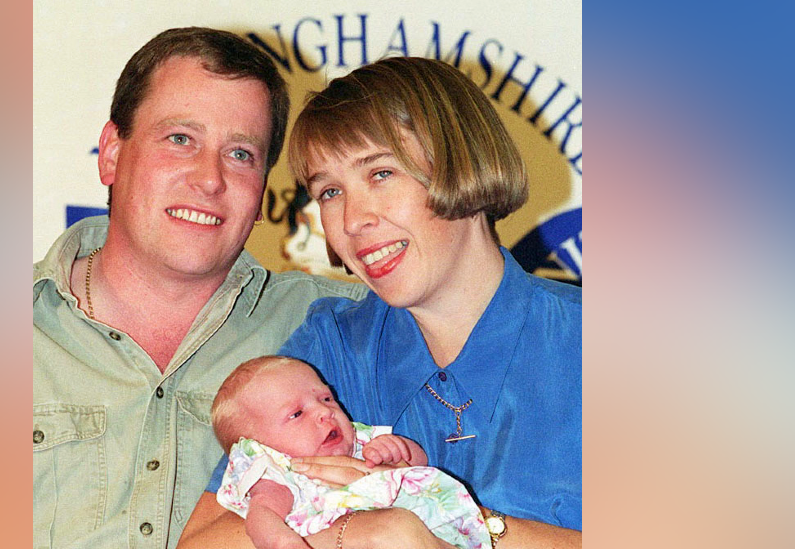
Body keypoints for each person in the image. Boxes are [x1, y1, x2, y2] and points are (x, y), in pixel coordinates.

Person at [180, 56, 581, 549]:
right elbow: (204, 541)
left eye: (381, 174)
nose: (352, 219)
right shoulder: (328, 350)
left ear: (464, 163)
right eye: (329, 191)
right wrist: (368, 532)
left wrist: (458, 525)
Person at [32, 27, 367, 549]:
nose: (210, 179)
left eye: (240, 154)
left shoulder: (340, 329)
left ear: (262, 196)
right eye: (180, 139)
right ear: (111, 154)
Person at [211, 356, 490, 549]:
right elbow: (260, 517)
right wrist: (283, 542)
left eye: (326, 398)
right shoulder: (282, 475)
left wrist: (399, 450)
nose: (324, 412)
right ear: (261, 447)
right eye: (296, 413)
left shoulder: (362, 441)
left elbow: (420, 467)